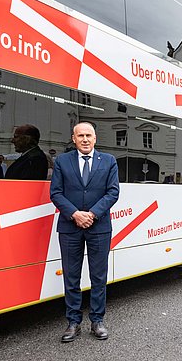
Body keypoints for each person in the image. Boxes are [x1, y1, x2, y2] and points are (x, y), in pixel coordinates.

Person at [50, 122, 120, 342]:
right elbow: (56, 193)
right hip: (70, 227)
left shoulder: (108, 161)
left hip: (99, 227)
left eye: (88, 135)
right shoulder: (62, 161)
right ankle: (73, 322)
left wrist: (92, 214)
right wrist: (75, 214)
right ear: (74, 138)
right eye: (80, 135)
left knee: (98, 276)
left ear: (95, 138)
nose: (85, 139)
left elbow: (113, 192)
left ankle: (97, 321)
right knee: (71, 277)